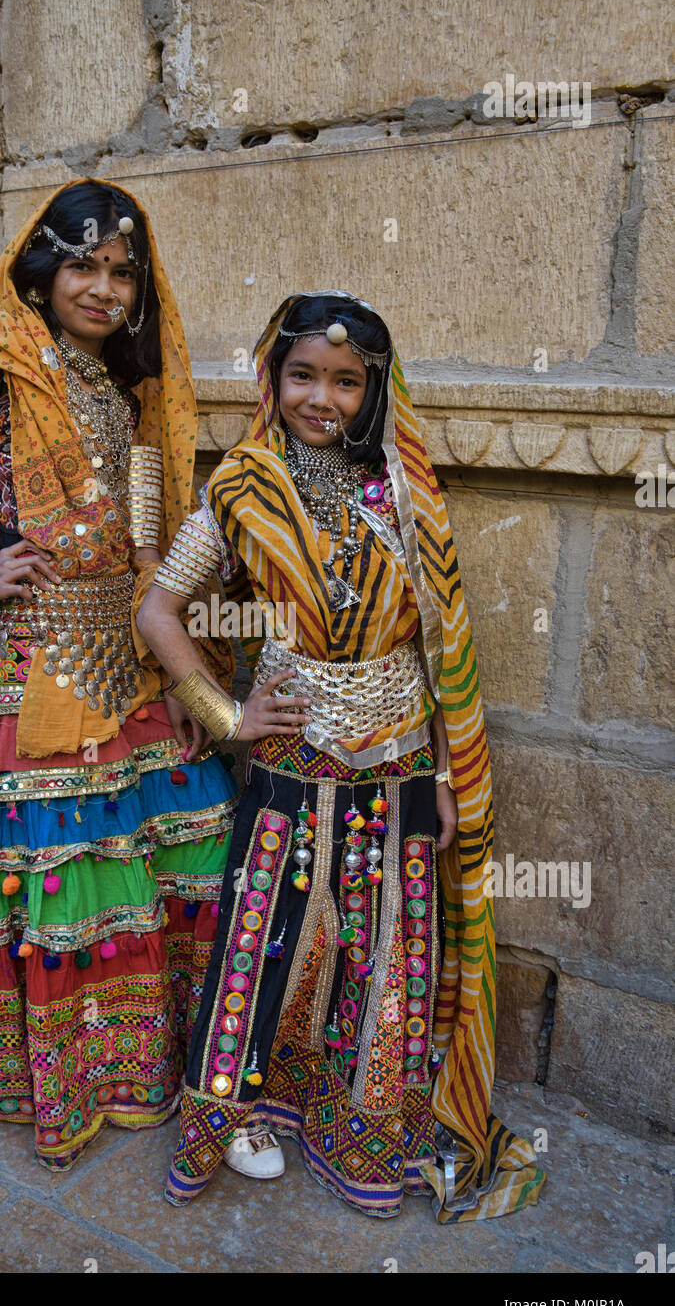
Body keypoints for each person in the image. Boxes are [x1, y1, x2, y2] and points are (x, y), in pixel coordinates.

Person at [0, 179, 240, 1172]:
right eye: (82, 264)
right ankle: (64, 1077)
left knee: (175, 852)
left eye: (123, 271)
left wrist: (196, 672)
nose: (104, 288)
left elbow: (151, 546)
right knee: (67, 879)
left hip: (134, 658)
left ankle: (149, 1065)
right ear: (42, 270)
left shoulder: (132, 391)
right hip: (39, 670)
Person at [137, 291, 546, 1220]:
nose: (323, 397)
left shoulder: (402, 487)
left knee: (380, 950)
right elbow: (158, 608)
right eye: (302, 376)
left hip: (399, 763)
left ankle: (362, 1125)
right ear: (270, 379)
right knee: (265, 945)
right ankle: (235, 1116)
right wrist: (222, 709)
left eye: (346, 381)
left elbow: (439, 640)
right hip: (290, 759)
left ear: (374, 389)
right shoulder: (240, 483)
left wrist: (445, 772)